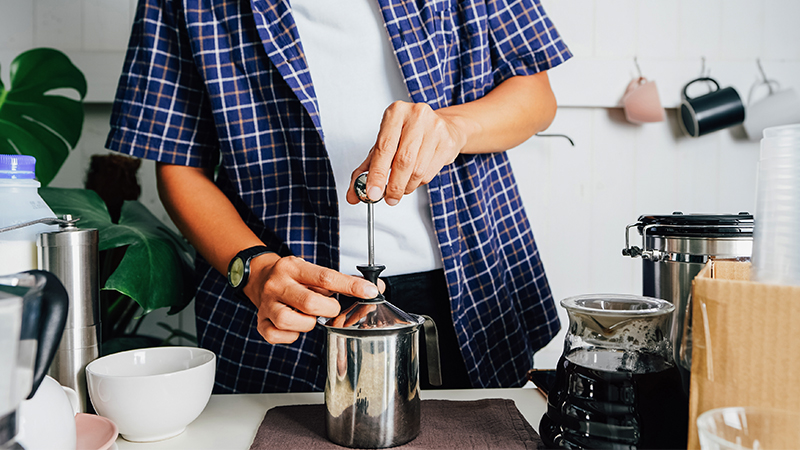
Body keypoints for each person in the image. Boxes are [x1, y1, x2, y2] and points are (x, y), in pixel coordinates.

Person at [106, 0, 572, 393]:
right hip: (285, 303)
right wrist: (253, 269)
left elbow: (535, 94)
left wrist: (453, 127)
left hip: (469, 286)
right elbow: (178, 165)